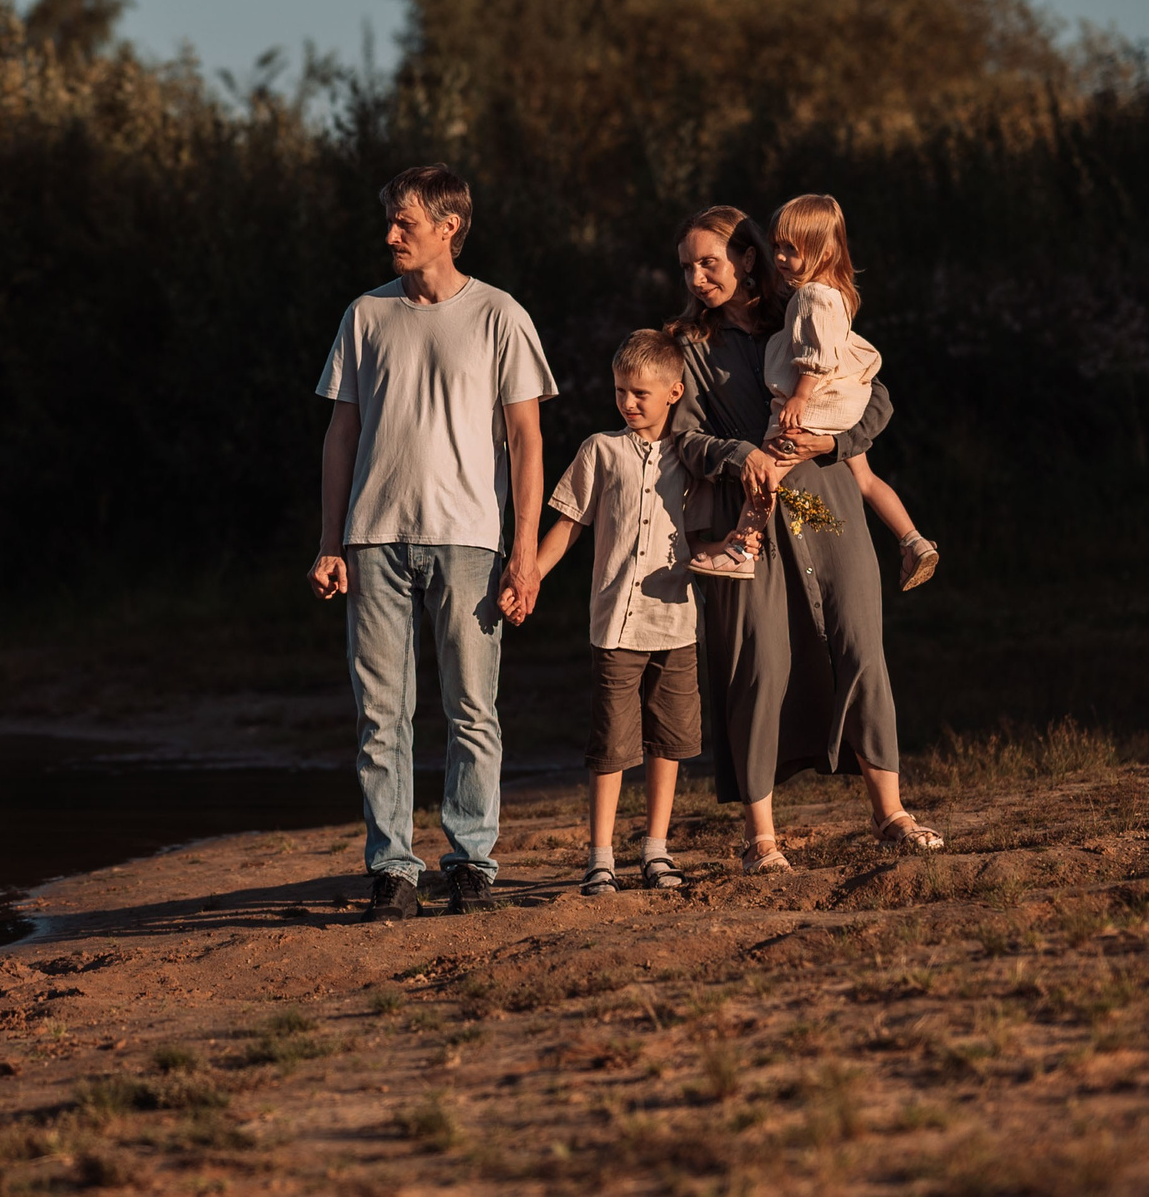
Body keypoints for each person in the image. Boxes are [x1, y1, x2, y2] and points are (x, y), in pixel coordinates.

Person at [663, 205, 946, 872]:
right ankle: (761, 836)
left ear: (748, 257)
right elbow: (683, 436)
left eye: (710, 261)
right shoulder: (688, 346)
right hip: (749, 525)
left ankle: (890, 813)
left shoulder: (806, 310)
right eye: (687, 266)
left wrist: (833, 440)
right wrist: (740, 456)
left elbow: (873, 397)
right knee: (757, 664)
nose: (698, 276)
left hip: (824, 507)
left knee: (859, 646)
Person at [308, 165, 557, 919]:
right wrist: (329, 542)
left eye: (404, 222)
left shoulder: (499, 315)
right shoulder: (365, 315)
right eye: (389, 221)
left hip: (470, 540)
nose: (390, 235)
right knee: (380, 712)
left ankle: (471, 861)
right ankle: (392, 867)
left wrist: (525, 550)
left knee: (471, 709)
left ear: (449, 226)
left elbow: (526, 437)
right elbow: (340, 434)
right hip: (373, 539)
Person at [503, 329, 699, 896]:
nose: (628, 403)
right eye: (620, 391)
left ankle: (656, 851)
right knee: (612, 743)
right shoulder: (600, 450)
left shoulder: (692, 455)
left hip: (677, 622)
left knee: (669, 740)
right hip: (615, 625)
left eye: (640, 393)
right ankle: (601, 858)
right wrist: (529, 575)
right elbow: (568, 526)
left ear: (674, 391)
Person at [689, 194, 939, 589]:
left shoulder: (810, 297)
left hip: (817, 403)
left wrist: (800, 398)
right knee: (866, 478)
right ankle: (912, 540)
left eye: (792, 250)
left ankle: (740, 550)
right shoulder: (834, 291)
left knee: (766, 470)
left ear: (822, 251)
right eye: (778, 249)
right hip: (842, 401)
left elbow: (815, 357)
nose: (782, 259)